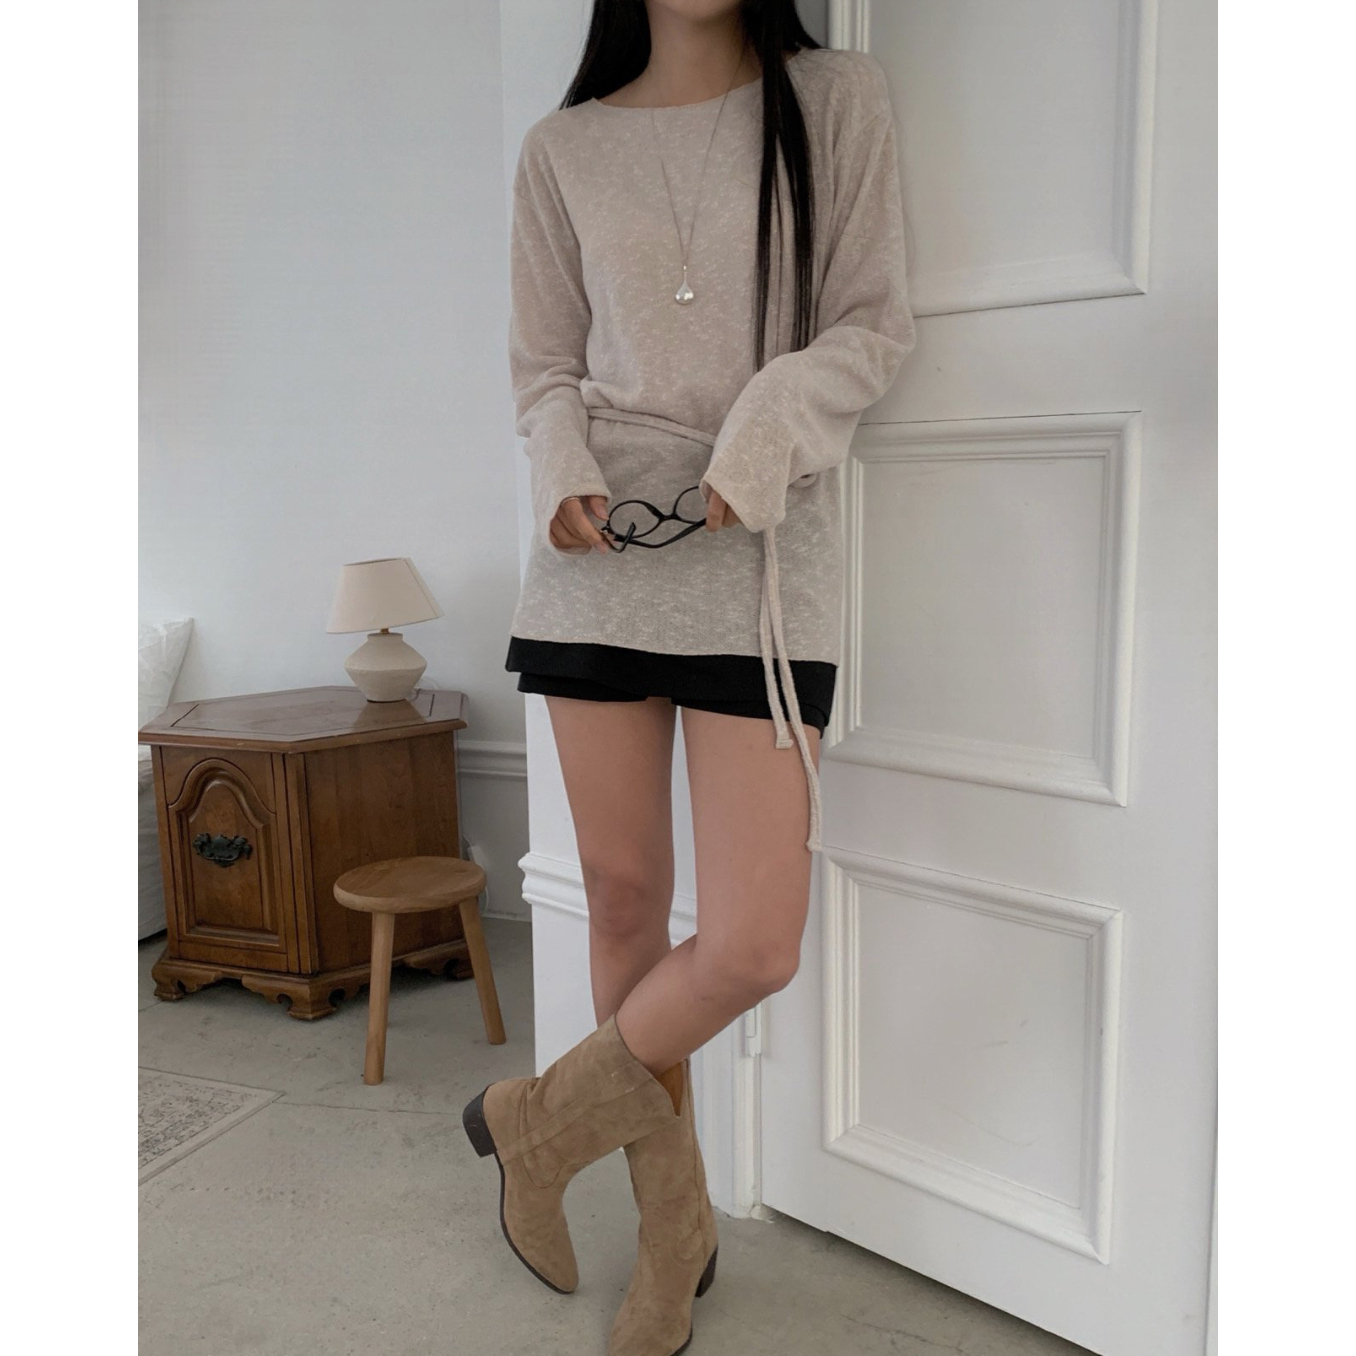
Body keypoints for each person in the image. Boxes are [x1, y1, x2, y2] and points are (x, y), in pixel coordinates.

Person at [465, 2, 916, 1352]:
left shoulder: (835, 99)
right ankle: (676, 1232)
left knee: (753, 941)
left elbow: (871, 324)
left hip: (760, 548)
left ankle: (533, 1126)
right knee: (620, 899)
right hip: (596, 552)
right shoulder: (560, 148)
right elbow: (544, 366)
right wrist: (564, 468)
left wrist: (763, 427)